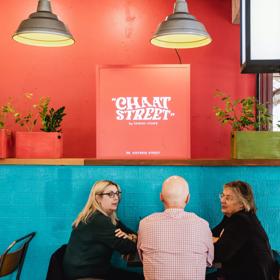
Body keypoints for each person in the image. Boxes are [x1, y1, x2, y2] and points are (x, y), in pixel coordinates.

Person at [63, 180, 143, 280]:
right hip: (86, 275)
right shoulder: (98, 220)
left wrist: (129, 236)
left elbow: (131, 234)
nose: (116, 198)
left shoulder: (109, 218)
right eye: (110, 194)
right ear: (98, 198)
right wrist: (131, 239)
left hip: (96, 270)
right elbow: (127, 248)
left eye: (117, 193)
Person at [137, 175, 214, 280]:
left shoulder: (144, 223)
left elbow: (142, 258)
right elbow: (209, 261)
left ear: (161, 197)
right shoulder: (203, 225)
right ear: (188, 198)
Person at [211, 180, 278, 280]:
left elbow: (218, 254)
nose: (222, 200)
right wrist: (218, 239)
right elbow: (209, 235)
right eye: (222, 195)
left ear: (242, 203)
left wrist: (217, 240)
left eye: (228, 198)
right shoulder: (232, 217)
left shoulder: (241, 221)